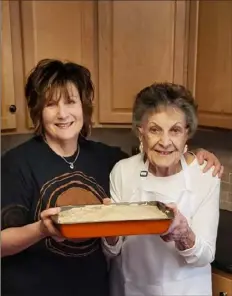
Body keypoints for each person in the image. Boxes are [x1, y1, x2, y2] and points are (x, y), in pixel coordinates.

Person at [1, 59, 222, 296]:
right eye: (51, 104)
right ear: (38, 111)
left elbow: (162, 154)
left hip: (94, 289)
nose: (63, 113)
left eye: (71, 101)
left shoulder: (108, 160)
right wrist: (41, 230)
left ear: (83, 107)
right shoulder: (16, 164)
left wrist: (195, 155)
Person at [109, 82, 221, 296]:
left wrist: (183, 234)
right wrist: (109, 232)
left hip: (186, 290)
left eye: (175, 130)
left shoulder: (205, 175)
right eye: (155, 130)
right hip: (132, 288)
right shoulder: (123, 172)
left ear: (187, 133)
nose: (165, 141)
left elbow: (206, 255)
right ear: (140, 132)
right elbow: (112, 251)